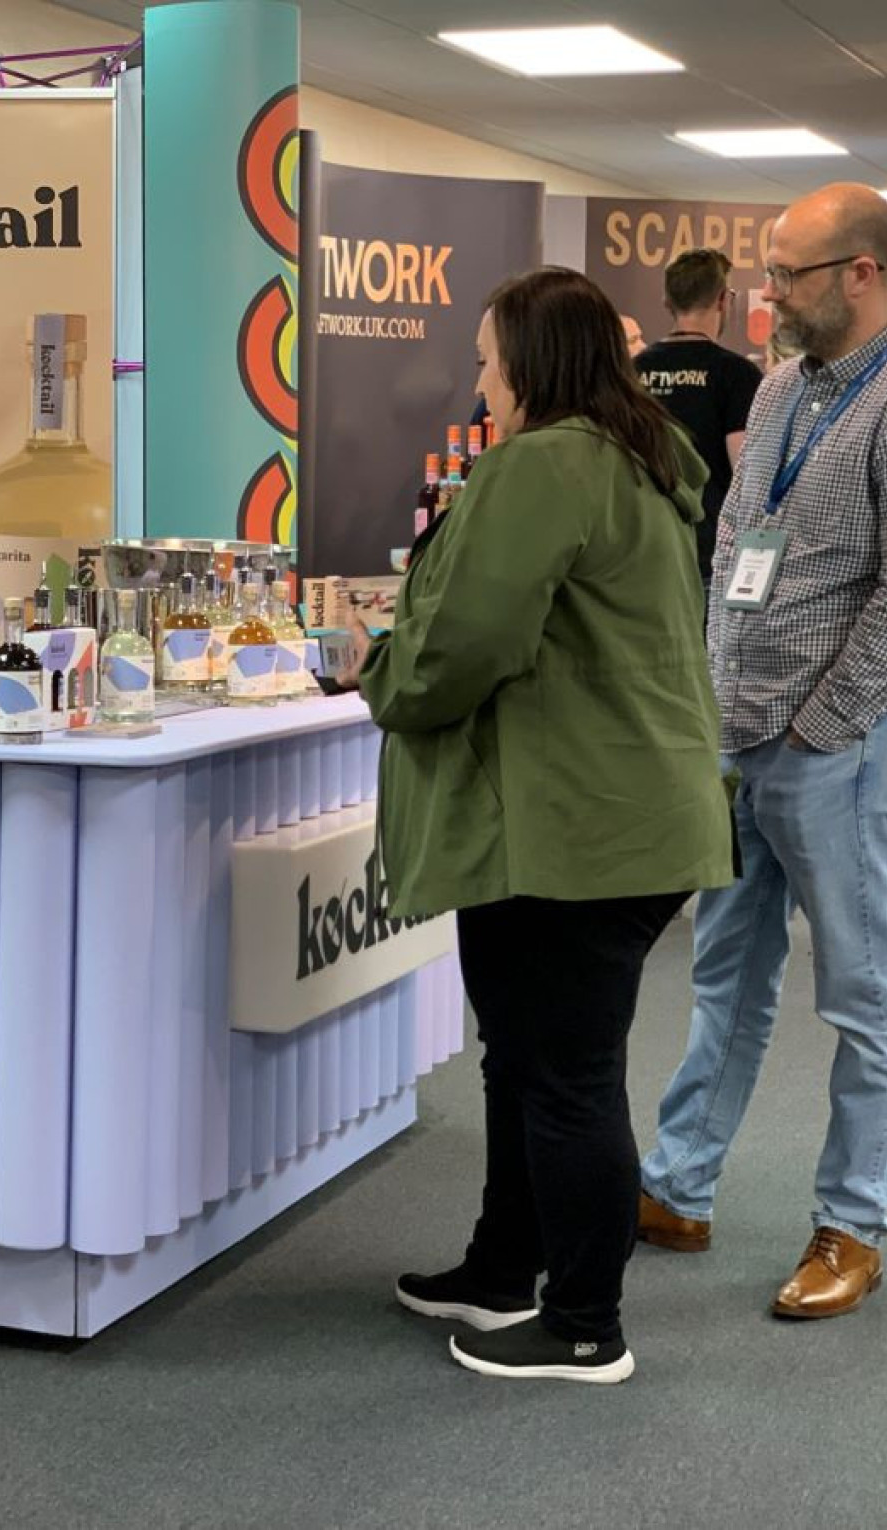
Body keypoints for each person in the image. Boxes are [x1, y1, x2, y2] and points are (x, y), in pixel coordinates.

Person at [357, 268, 733, 1383]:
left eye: (485, 358)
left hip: (577, 826)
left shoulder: (545, 464)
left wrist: (380, 675)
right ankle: (499, 1270)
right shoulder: (636, 459)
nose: (478, 382)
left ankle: (581, 1323)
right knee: (527, 1061)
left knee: (561, 1073)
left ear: (530, 362)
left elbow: (462, 642)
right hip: (614, 813)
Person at [638, 183, 887, 1319]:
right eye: (770, 271)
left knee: (863, 995)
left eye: (790, 273)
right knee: (724, 975)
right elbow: (735, 542)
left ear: (863, 272)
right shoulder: (782, 388)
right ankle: (678, 1184)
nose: (769, 294)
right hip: (736, 736)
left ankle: (853, 1222)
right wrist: (714, 699)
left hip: (840, 753)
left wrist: (821, 725)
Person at [634, 249, 763, 591]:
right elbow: (745, 471)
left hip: (641, 546)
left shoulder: (630, 372)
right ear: (723, 300)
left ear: (667, 301)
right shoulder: (736, 375)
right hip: (706, 551)